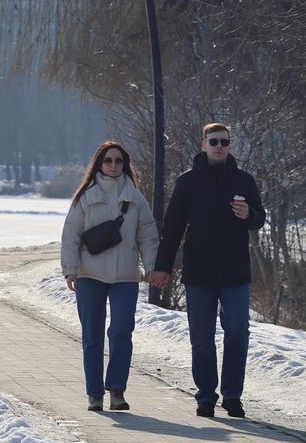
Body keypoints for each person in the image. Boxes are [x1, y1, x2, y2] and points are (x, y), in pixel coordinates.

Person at [150, 123, 265, 418]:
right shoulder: (187, 182)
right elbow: (172, 228)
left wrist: (249, 214)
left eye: (223, 142)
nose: (218, 146)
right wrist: (162, 267)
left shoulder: (244, 180)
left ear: (230, 145)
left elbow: (259, 219)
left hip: (235, 272)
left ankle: (232, 396)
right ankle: (205, 396)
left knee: (238, 331)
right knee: (201, 338)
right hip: (198, 272)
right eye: (213, 141)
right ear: (203, 144)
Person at [61, 141, 159, 412]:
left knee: (121, 331)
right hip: (89, 274)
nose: (113, 165)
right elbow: (70, 235)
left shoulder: (135, 197)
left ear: (125, 165)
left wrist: (151, 267)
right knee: (92, 335)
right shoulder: (85, 196)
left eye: (118, 161)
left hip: (125, 275)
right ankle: (94, 394)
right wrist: (70, 269)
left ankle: (117, 390)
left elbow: (148, 235)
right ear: (99, 164)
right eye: (108, 160)